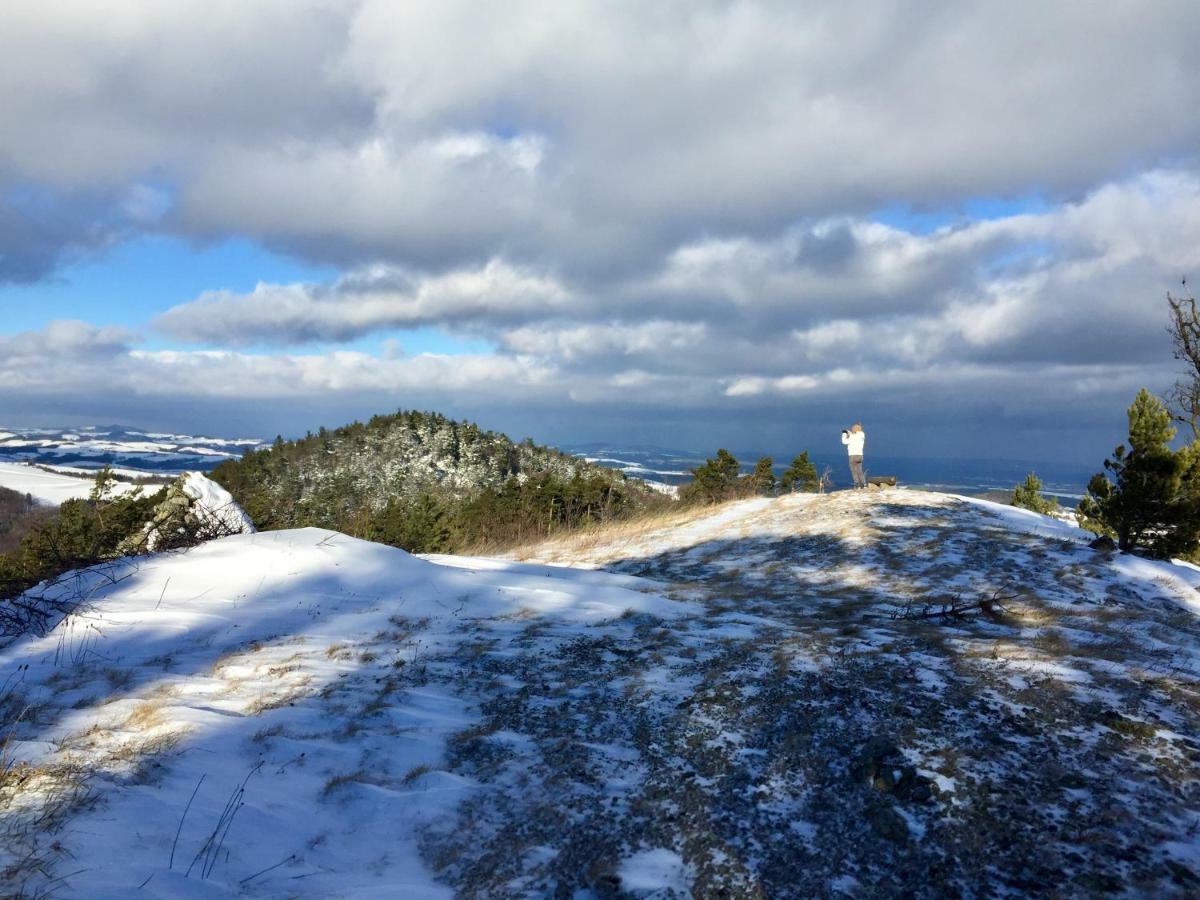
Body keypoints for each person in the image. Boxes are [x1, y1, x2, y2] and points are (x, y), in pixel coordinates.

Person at [841, 422, 866, 489]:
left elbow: (844, 442)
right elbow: (854, 434)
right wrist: (850, 432)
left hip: (852, 455)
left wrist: (844, 433)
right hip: (860, 455)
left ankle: (856, 483)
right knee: (859, 470)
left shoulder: (852, 437)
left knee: (854, 470)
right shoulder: (862, 435)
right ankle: (863, 483)